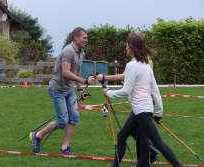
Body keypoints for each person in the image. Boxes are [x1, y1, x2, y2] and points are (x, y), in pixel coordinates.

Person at [102, 31, 182, 167]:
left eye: (127, 46)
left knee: (158, 143)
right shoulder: (145, 66)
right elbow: (154, 91)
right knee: (122, 136)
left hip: (141, 110)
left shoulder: (131, 66)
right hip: (143, 109)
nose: (125, 48)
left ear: (132, 47)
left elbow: (126, 91)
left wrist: (108, 92)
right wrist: (158, 112)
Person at [30, 27, 95, 155]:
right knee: (62, 121)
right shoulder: (68, 51)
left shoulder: (81, 53)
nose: (86, 40)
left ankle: (65, 148)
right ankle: (37, 135)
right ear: (76, 38)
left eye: (87, 38)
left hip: (69, 90)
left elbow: (76, 70)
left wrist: (80, 89)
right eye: (84, 38)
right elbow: (66, 73)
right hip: (57, 89)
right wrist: (84, 80)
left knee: (74, 118)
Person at [96, 72, 159, 167]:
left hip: (142, 105)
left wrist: (104, 78)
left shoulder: (138, 60)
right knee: (133, 132)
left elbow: (125, 76)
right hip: (143, 103)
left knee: (124, 135)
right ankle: (151, 154)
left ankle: (148, 158)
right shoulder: (141, 61)